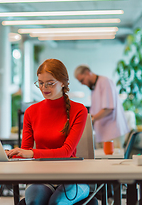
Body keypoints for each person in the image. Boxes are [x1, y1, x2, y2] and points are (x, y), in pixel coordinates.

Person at [7, 59, 90, 205]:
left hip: (72, 177)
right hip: (42, 176)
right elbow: (26, 151)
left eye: (50, 83)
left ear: (63, 82)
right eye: (40, 83)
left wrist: (32, 153)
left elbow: (66, 152)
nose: (44, 87)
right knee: (33, 202)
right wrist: (13, 154)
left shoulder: (79, 110)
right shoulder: (31, 111)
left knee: (56, 202)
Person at [74, 65, 130, 147]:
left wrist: (91, 120)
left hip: (112, 133)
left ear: (87, 73)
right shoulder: (94, 87)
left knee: (114, 159)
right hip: (102, 133)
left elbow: (108, 108)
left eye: (82, 80)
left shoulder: (105, 82)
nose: (82, 84)